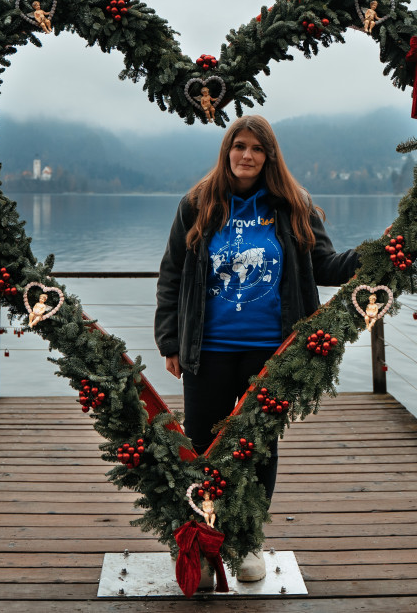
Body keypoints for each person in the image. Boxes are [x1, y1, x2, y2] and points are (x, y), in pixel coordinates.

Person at [154, 114, 359, 580]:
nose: (246, 155)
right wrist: (170, 340)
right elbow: (171, 274)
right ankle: (203, 543)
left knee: (258, 448)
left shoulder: (292, 206)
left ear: (269, 156)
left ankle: (245, 542)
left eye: (256, 148)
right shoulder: (197, 204)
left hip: (272, 351)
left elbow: (324, 266)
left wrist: (375, 254)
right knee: (203, 446)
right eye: (239, 146)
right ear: (227, 151)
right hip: (208, 350)